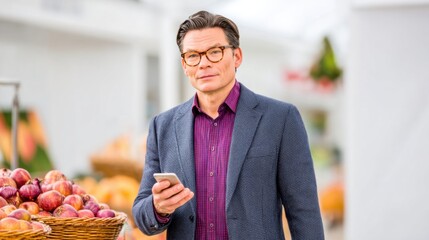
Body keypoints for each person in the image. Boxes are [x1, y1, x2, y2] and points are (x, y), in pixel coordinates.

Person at [132, 10, 325, 240]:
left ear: (237, 57)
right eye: (193, 55)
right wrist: (158, 207)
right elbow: (141, 214)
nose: (203, 63)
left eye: (215, 52)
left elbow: (304, 212)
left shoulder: (281, 119)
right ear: (185, 65)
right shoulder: (162, 126)